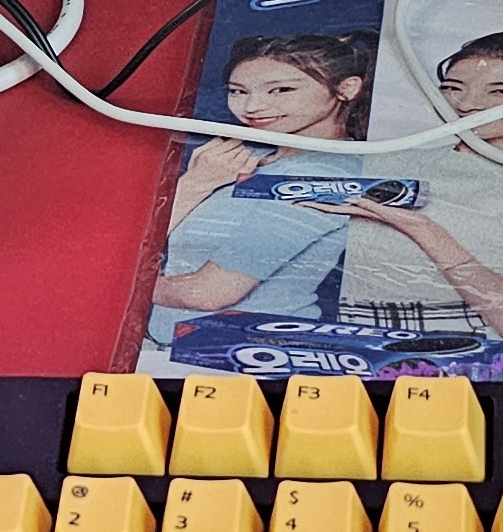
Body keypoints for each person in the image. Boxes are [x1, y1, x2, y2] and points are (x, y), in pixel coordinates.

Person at [322, 25, 503, 376]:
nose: (466, 104)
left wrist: (422, 229)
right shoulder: (394, 158)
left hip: (460, 363)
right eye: (453, 88)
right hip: (348, 349)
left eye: (502, 91)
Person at [152, 34, 370, 347]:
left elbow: (209, 293)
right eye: (238, 91)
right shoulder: (237, 158)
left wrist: (117, 280)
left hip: (250, 356)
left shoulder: (329, 175)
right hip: (177, 346)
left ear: (346, 88)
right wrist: (195, 183)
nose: (252, 106)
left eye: (281, 90)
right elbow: (140, 242)